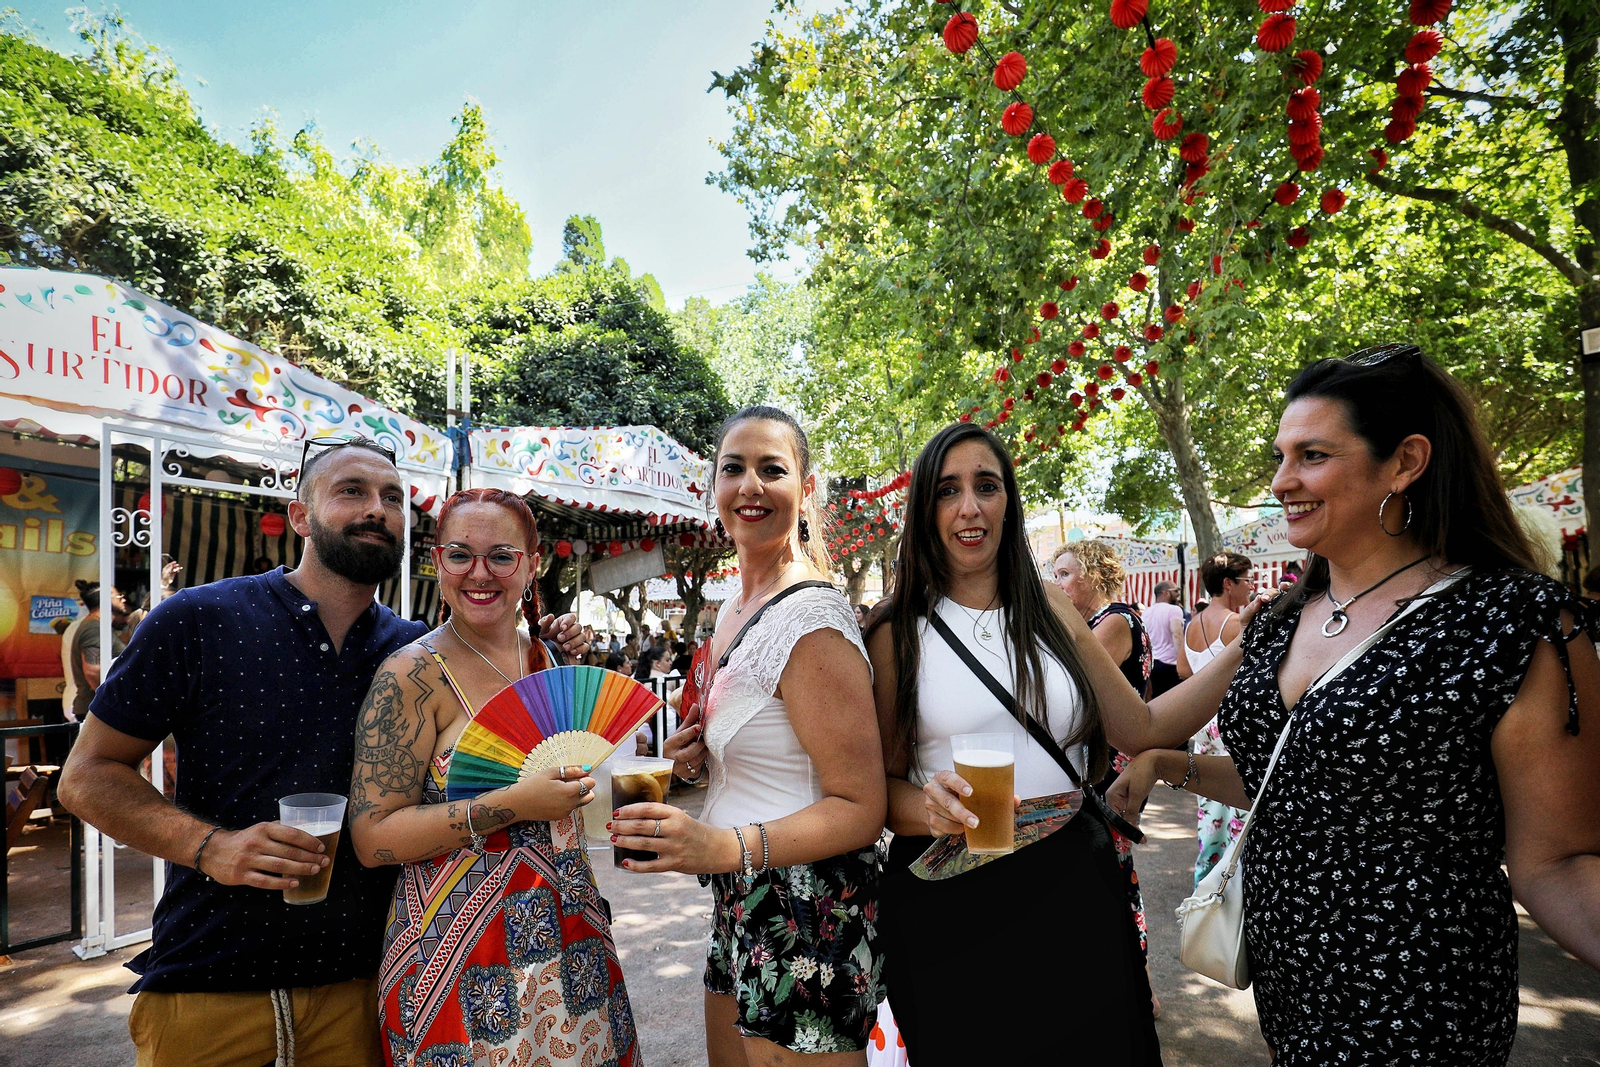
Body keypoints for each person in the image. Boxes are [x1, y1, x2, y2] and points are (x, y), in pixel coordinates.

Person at [1109, 345, 1600, 1064]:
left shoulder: (1510, 620)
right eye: (1281, 456)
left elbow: (1555, 862)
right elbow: (1292, 781)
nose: (1281, 481)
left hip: (1418, 1005)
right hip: (1290, 991)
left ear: (1404, 462)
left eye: (1311, 455)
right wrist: (1164, 760)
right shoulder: (1282, 616)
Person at [57, 438, 587, 1067]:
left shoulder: (415, 652)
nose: (377, 509)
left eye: (393, 498)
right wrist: (210, 847)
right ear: (300, 516)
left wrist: (542, 647)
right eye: (351, 491)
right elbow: (87, 776)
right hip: (211, 980)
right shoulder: (200, 619)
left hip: (362, 990)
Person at [871, 424, 1170, 1066]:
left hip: (1071, 886)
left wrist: (1246, 646)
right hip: (953, 901)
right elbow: (875, 792)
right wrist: (925, 805)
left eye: (987, 486)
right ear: (925, 508)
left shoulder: (1054, 609)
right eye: (948, 490)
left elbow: (1141, 729)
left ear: (1009, 500)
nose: (969, 507)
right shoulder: (896, 633)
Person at [618, 405, 886, 1064]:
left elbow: (861, 806)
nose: (750, 486)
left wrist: (720, 845)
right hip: (742, 897)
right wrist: (691, 764)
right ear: (714, 485)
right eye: (734, 468)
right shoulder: (734, 609)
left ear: (806, 490)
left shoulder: (813, 619)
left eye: (773, 469)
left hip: (808, 909)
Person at [349, 488, 637, 1066]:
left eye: (502, 556)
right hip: (458, 963)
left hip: (573, 941)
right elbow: (373, 838)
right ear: (437, 562)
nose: (480, 573)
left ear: (533, 564)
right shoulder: (411, 674)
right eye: (461, 555)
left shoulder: (548, 659)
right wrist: (512, 803)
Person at [1050, 539, 1158, 1016]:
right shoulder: (1101, 621)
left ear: (1092, 575)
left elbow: (1071, 679)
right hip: (1099, 764)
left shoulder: (1114, 621)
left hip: (1107, 769)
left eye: (1065, 574)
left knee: (1114, 873)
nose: (1058, 584)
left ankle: (1139, 986)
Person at [1142, 582, 1184, 697]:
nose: (1178, 595)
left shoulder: (1146, 612)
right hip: (1170, 664)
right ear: (1166, 593)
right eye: (1175, 591)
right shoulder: (1174, 610)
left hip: (1152, 664)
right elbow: (1177, 634)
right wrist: (1182, 660)